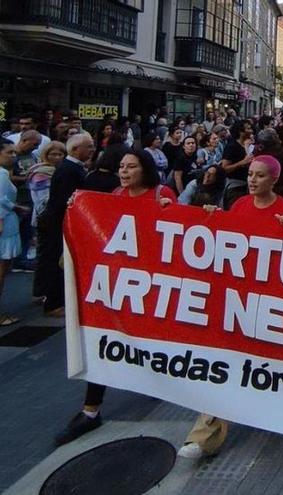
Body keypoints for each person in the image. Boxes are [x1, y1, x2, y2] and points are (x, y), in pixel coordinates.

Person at [177, 155, 283, 460]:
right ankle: (204, 435)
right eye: (250, 174)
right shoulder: (240, 205)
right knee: (227, 362)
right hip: (238, 301)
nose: (252, 180)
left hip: (270, 302)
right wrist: (210, 219)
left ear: (273, 180)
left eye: (259, 175)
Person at [55, 146, 174, 447]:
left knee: (152, 340)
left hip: (152, 287)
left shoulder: (163, 194)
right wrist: (78, 208)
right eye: (121, 166)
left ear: (144, 169)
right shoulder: (115, 198)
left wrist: (169, 213)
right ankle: (91, 410)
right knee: (106, 342)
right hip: (119, 286)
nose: (124, 172)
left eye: (131, 167)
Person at [39, 133, 94, 318]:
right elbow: (64, 201)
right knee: (57, 263)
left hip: (62, 222)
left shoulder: (73, 168)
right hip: (59, 224)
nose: (92, 150)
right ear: (76, 149)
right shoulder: (68, 170)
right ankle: (53, 303)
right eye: (89, 146)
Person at [0, 139, 28, 325]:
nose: (13, 155)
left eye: (13, 152)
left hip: (8, 222)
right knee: (1, 272)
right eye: (9, 152)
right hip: (5, 227)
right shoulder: (1, 174)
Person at [221, 129, 255, 209]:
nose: (251, 132)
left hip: (248, 186)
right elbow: (225, 168)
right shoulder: (231, 147)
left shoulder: (250, 146)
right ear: (241, 132)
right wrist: (241, 163)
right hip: (235, 187)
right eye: (248, 128)